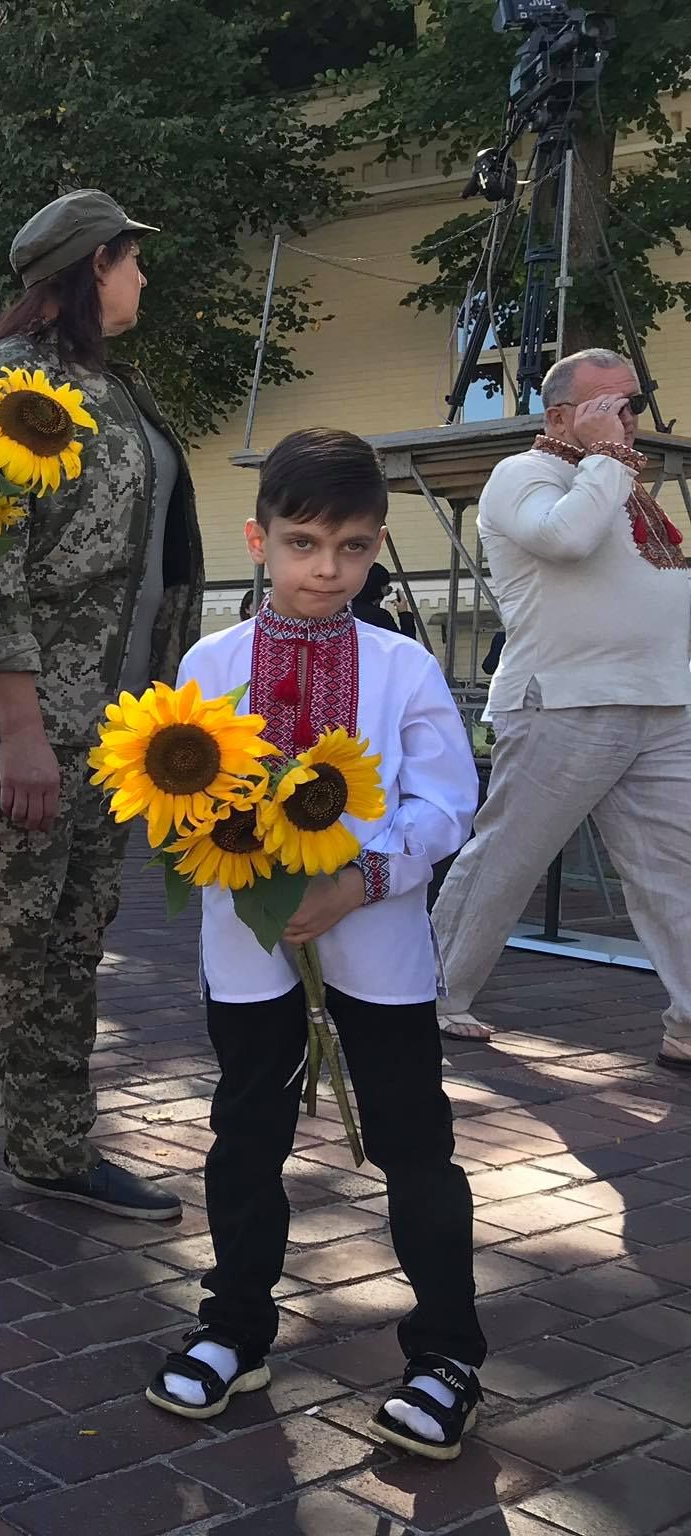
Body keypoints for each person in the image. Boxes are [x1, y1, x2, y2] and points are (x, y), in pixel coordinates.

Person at [149, 428, 486, 1460]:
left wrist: (359, 878)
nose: (324, 570)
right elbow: (175, 794)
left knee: (407, 1135)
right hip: (248, 945)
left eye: (348, 547)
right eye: (301, 543)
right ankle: (233, 1326)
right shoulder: (209, 663)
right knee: (244, 1127)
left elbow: (445, 800)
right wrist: (214, 840)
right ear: (258, 540)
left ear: (376, 546)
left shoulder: (399, 666)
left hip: (375, 943)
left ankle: (444, 1353)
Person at [0, 189, 204, 1256]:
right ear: (90, 265)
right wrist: (19, 724)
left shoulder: (112, 390)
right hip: (22, 721)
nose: (140, 281)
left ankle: (49, 1140)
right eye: (130, 262)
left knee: (74, 944)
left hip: (112, 726)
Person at [433, 349, 691, 1061]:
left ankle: (690, 1023)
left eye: (632, 404)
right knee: (509, 857)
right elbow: (566, 538)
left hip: (663, 698)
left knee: (678, 867)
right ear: (558, 417)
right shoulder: (524, 474)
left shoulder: (624, 485)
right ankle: (432, 993)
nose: (628, 419)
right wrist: (608, 458)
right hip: (564, 702)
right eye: (608, 405)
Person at [351, 562, 401, 632]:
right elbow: (406, 642)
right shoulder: (380, 616)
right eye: (386, 587)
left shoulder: (343, 611)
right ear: (377, 588)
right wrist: (404, 614)